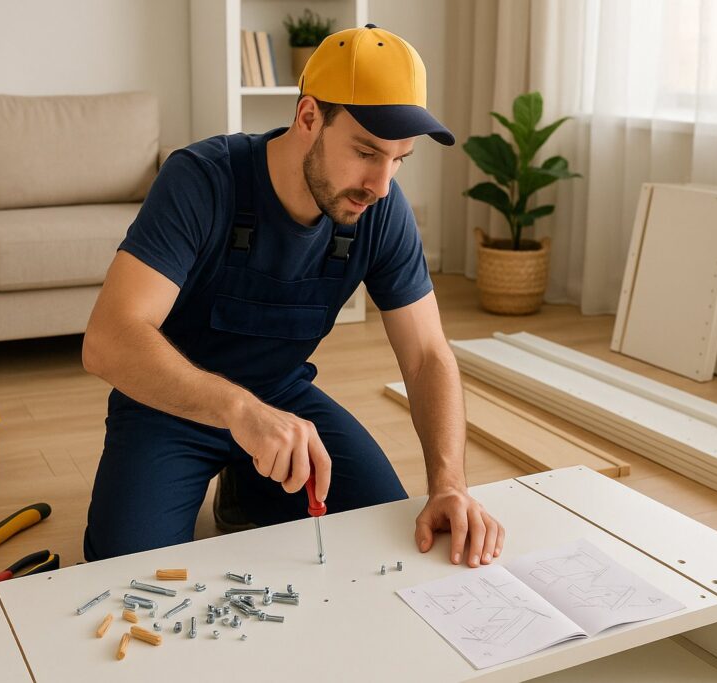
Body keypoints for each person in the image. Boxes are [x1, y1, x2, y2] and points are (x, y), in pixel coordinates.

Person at [81, 24, 505, 567]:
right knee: (126, 572)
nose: (381, 184)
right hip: (167, 406)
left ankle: (247, 485)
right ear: (308, 117)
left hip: (285, 401)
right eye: (367, 152)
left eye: (400, 159)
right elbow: (109, 340)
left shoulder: (381, 207)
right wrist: (239, 411)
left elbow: (426, 356)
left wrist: (449, 483)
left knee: (385, 532)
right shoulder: (201, 180)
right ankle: (243, 468)